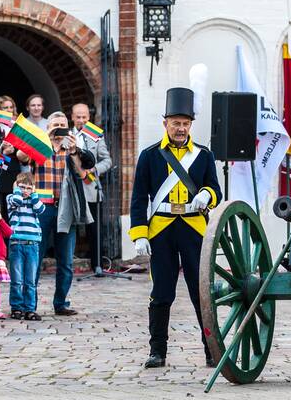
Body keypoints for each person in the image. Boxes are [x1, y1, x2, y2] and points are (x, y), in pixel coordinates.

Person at [130, 87, 222, 369]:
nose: (180, 129)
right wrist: (139, 234)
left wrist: (207, 194)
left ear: (190, 125)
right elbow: (138, 198)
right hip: (161, 230)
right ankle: (157, 351)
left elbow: (216, 190)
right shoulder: (150, 155)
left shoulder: (203, 155)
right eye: (175, 123)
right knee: (161, 293)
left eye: (185, 124)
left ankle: (211, 350)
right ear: (165, 124)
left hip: (194, 229)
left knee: (200, 293)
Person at [35, 111, 93, 317]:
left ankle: (61, 302)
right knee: (36, 257)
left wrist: (75, 150)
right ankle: (29, 303)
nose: (59, 128)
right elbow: (22, 156)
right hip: (41, 208)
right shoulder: (40, 146)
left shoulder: (73, 149)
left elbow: (84, 171)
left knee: (66, 260)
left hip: (65, 208)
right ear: (48, 126)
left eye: (62, 124)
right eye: (55, 124)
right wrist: (47, 136)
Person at [72, 102, 113, 271]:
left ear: (89, 117)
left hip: (91, 187)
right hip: (71, 187)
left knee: (94, 228)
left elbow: (107, 160)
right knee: (70, 225)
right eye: (78, 117)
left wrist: (94, 169)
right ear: (72, 117)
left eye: (84, 117)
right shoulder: (66, 135)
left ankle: (97, 264)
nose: (81, 120)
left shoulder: (96, 135)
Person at [6, 172, 44, 321]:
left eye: (29, 188)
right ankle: (16, 307)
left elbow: (41, 210)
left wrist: (34, 195)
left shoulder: (34, 202)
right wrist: (16, 190)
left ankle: (30, 308)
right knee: (17, 279)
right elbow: (16, 200)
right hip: (17, 243)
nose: (25, 191)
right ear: (16, 186)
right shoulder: (12, 198)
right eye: (22, 187)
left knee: (30, 280)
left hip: (32, 244)